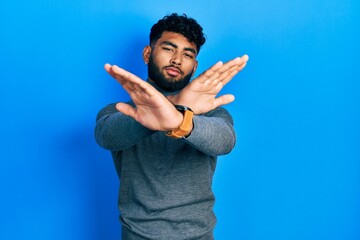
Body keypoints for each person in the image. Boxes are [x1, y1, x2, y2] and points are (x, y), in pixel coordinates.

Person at [95, 13, 249, 240]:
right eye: (169, 48)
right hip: (136, 234)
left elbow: (225, 141)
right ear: (148, 54)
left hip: (199, 235)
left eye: (188, 54)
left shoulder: (213, 112)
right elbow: (106, 136)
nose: (177, 59)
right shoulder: (119, 111)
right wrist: (176, 107)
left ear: (195, 66)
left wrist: (180, 119)